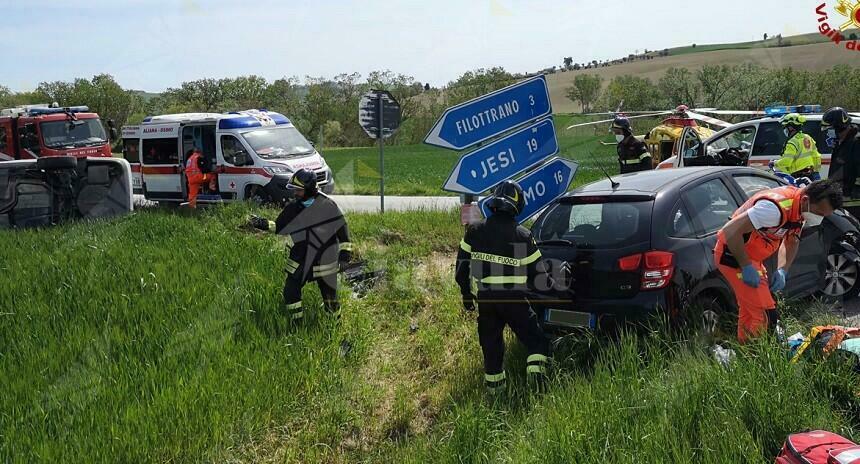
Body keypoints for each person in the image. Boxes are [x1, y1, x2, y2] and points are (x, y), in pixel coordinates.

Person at [714, 180, 842, 343]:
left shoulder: (800, 208)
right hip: (733, 256)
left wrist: (783, 270)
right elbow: (730, 231)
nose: (819, 219)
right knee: (764, 314)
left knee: (750, 310)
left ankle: (744, 350)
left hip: (752, 258)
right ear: (805, 201)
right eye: (819, 213)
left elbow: (791, 241)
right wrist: (745, 265)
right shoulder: (774, 209)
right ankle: (755, 356)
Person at [455, 180, 551, 394]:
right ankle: (536, 388)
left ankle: (496, 396)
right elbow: (540, 274)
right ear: (517, 203)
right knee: (536, 343)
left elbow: (462, 267)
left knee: (492, 349)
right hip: (514, 300)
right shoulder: (522, 235)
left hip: (486, 300)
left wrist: (466, 294)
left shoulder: (474, 231)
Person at [269, 168, 352, 322]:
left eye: (299, 190)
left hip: (325, 259)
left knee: (330, 297)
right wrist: (261, 224)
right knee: (290, 291)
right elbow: (278, 227)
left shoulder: (328, 205)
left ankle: (335, 325)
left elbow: (344, 234)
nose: (295, 194)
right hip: (301, 258)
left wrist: (344, 257)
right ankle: (297, 323)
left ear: (308, 189)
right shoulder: (293, 207)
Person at [821, 107, 860, 198]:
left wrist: (857, 190)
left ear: (839, 127)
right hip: (842, 196)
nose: (828, 133)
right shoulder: (841, 143)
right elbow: (842, 169)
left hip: (854, 200)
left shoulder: (856, 143)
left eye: (830, 129)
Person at [774, 113, 821, 180]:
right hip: (812, 174)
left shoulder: (792, 142)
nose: (784, 129)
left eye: (785, 127)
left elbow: (787, 162)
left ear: (790, 127)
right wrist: (816, 173)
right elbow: (816, 156)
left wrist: (774, 163)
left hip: (799, 177)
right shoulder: (807, 138)